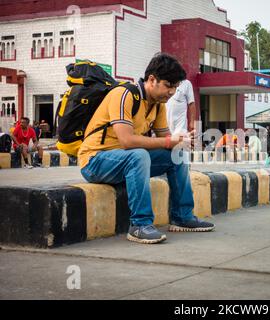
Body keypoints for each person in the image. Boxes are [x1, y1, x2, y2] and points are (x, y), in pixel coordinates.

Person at [78, 53, 215, 245]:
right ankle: (139, 225)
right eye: (168, 86)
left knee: (178, 154)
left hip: (124, 161)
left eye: (175, 87)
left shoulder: (158, 105)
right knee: (139, 155)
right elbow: (126, 141)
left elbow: (165, 140)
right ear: (152, 80)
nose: (172, 92)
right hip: (95, 161)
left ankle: (182, 216)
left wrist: (179, 142)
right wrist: (169, 141)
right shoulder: (124, 94)